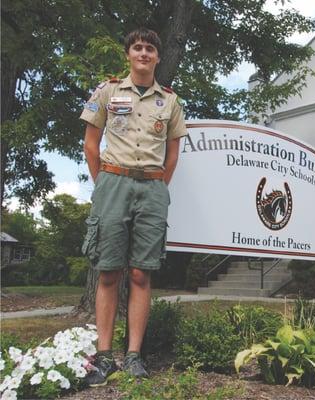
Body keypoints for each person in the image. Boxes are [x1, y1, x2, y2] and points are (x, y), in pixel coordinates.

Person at [80, 27, 187, 385]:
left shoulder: (170, 101)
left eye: (150, 49)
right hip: (112, 182)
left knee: (142, 273)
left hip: (152, 188)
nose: (143, 53)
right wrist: (104, 183)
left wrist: (158, 186)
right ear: (128, 54)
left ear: (157, 57)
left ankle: (134, 355)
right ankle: (105, 355)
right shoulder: (107, 91)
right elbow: (91, 144)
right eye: (137, 47)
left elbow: (173, 154)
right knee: (109, 271)